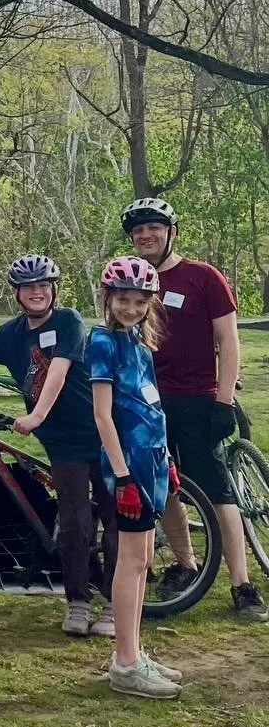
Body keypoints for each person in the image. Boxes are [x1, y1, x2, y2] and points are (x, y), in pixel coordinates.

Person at [121, 197, 267, 619]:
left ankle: (242, 585)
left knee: (218, 491)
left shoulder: (203, 277)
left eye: (154, 228)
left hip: (199, 398)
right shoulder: (132, 283)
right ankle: (186, 566)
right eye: (138, 232)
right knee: (165, 486)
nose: (146, 236)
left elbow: (229, 340)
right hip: (150, 402)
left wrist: (223, 400)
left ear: (171, 232)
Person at [0, 254, 118, 639]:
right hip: (63, 444)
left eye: (44, 285)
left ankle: (115, 603)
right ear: (17, 293)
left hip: (102, 433)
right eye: (29, 287)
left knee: (115, 519)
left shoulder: (67, 321)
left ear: (54, 290)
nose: (37, 292)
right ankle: (78, 601)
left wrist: (37, 416)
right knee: (75, 521)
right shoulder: (11, 334)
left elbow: (59, 372)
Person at [89, 257, 180, 699]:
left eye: (140, 300)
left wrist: (168, 463)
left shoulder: (142, 348)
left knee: (143, 559)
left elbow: (152, 410)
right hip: (127, 469)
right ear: (108, 299)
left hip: (152, 464)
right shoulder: (102, 342)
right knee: (129, 560)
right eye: (123, 299)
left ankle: (134, 650)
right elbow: (103, 416)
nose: (130, 307)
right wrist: (122, 476)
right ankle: (124, 663)